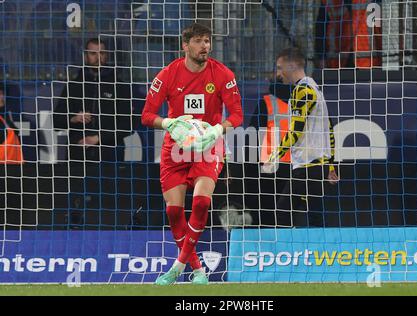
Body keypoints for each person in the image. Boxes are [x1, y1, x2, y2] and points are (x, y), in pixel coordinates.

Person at [141, 23, 243, 285]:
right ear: (185, 46)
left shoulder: (222, 74)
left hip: (208, 146)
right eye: (198, 41)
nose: (204, 46)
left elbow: (237, 115)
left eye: (207, 41)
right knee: (174, 212)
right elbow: (147, 115)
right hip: (175, 148)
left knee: (200, 203)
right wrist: (168, 123)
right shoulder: (167, 74)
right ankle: (197, 269)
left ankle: (176, 268)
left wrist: (218, 128)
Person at [53, 38, 133, 227]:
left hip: (109, 156)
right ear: (85, 56)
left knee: (107, 207)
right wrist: (73, 118)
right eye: (93, 53)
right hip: (77, 157)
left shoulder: (119, 85)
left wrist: (98, 138)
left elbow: (129, 123)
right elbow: (56, 121)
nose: (98, 58)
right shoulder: (74, 85)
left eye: (102, 53)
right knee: (75, 207)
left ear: (107, 55)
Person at [262, 47, 339, 227]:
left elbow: (295, 132)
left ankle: (288, 253)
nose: (278, 73)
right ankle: (315, 252)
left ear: (291, 65)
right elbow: (329, 127)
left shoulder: (302, 91)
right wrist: (330, 163)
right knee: (314, 215)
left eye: (280, 67)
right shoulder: (315, 88)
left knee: (283, 212)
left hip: (307, 166)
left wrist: (274, 156)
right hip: (316, 165)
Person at [0, 83, 23, 164]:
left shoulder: (7, 112)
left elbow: (15, 132)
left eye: (2, 94)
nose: (2, 97)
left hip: (11, 162)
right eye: (0, 94)